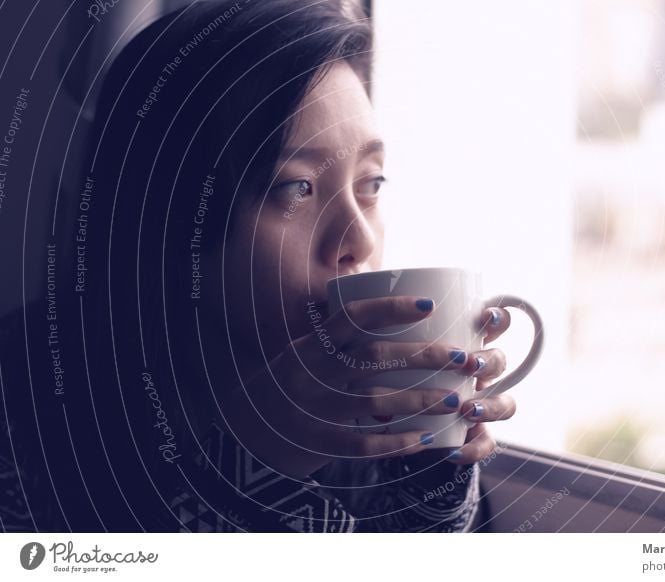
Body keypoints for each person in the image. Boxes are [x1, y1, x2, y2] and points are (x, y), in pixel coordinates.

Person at [0, 0, 517, 533]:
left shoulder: (374, 398)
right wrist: (257, 459)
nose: (359, 240)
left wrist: (432, 471)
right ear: (171, 216)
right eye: (297, 187)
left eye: (371, 184)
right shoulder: (29, 399)